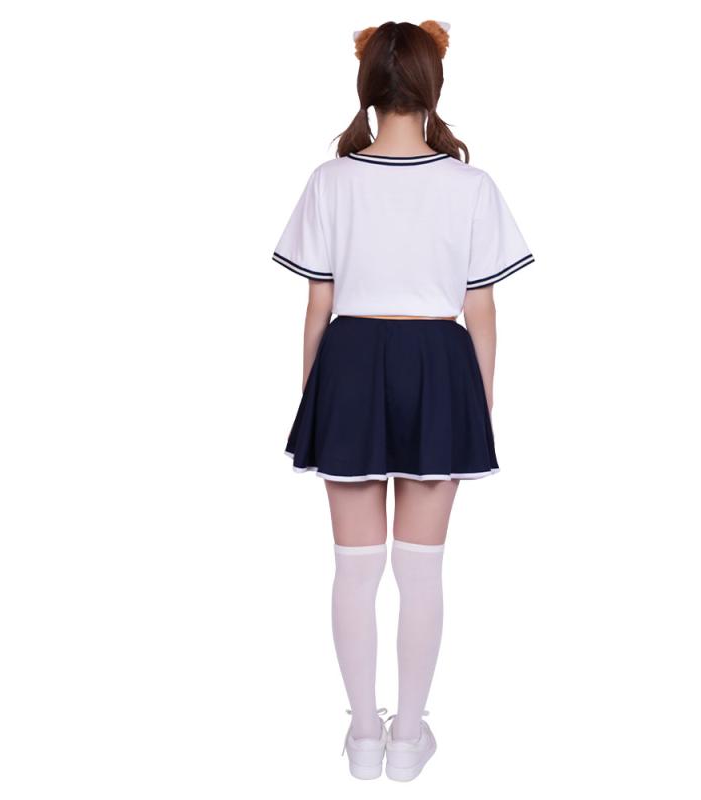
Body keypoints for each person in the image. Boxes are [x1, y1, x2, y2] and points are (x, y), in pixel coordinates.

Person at [271, 20, 535, 781]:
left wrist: (317, 400)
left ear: (368, 88)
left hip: (350, 364)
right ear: (431, 87)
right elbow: (481, 309)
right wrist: (477, 408)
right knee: (422, 570)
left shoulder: (331, 180)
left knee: (354, 569)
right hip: (438, 366)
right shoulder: (470, 186)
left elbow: (317, 304)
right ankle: (408, 739)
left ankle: (364, 738)